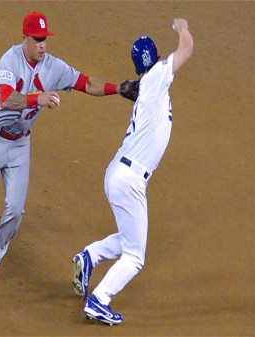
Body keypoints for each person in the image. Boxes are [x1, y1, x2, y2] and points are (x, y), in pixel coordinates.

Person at [0, 11, 124, 290]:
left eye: (45, 39)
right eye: (37, 40)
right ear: (25, 39)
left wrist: (119, 89)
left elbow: (87, 83)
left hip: (20, 144)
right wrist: (39, 98)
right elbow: (7, 100)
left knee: (16, 210)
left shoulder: (53, 67)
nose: (42, 45)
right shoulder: (9, 59)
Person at [72, 18, 194, 325]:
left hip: (118, 172)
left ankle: (90, 256)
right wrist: (182, 27)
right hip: (129, 180)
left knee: (130, 239)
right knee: (135, 257)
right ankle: (99, 300)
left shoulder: (149, 86)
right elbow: (187, 48)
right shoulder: (156, 78)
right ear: (153, 59)